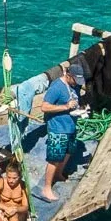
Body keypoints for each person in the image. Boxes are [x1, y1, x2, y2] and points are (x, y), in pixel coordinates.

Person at [37, 71, 79, 201]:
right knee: (54, 158)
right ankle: (47, 188)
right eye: (76, 80)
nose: (77, 84)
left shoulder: (74, 86)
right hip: (58, 128)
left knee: (68, 152)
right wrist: (66, 107)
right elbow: (44, 107)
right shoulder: (56, 88)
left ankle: (58, 174)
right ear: (69, 75)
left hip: (71, 126)